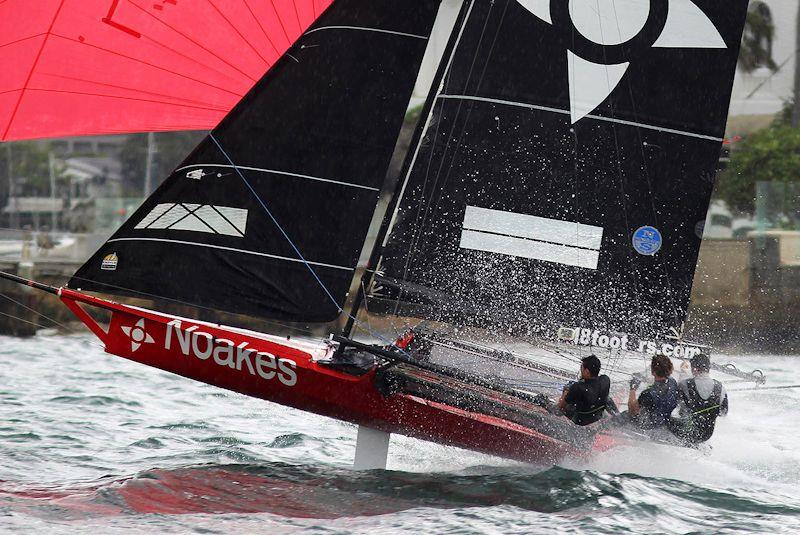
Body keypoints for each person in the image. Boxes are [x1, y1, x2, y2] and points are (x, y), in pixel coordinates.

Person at [669, 353, 728, 444]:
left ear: (694, 368)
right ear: (708, 369)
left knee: (664, 416)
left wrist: (683, 371)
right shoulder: (720, 387)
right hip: (706, 435)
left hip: (684, 432)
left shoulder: (685, 384)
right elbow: (723, 412)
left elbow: (672, 404)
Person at [557, 355, 617, 425]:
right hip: (596, 416)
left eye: (581, 368)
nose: (581, 370)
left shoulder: (577, 387)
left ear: (587, 371)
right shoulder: (605, 380)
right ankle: (617, 416)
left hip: (580, 421)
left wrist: (566, 390)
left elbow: (561, 407)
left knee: (553, 406)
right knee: (607, 398)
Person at [627, 354, 679, 429]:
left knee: (624, 415)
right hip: (665, 421)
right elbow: (661, 385)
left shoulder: (647, 394)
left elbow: (632, 411)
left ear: (653, 372)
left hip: (649, 426)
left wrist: (633, 388)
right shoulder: (673, 382)